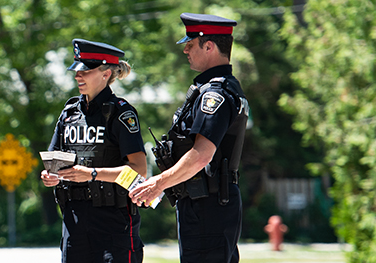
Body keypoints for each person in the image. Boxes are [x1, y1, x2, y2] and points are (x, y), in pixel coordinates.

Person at [129, 13, 249, 263]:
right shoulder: (214, 88)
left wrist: (158, 183)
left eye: (190, 44)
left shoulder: (215, 94)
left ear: (209, 46)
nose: (185, 50)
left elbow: (202, 155)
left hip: (208, 206)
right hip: (203, 202)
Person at [40, 38, 148, 263]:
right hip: (74, 221)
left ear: (105, 74)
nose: (78, 76)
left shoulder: (121, 114)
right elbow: (53, 162)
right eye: (76, 71)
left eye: (85, 71)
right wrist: (50, 176)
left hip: (113, 222)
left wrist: (92, 174)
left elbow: (139, 172)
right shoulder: (69, 113)